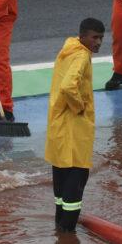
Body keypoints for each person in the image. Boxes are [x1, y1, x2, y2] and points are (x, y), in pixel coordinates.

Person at [46, 18, 104, 233]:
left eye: (101, 38)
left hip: (59, 124)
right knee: (77, 178)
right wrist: (79, 107)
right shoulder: (81, 56)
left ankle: (60, 232)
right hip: (74, 128)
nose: (98, 42)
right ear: (83, 36)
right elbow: (69, 86)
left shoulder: (69, 49)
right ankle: (68, 239)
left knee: (60, 181)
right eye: (95, 37)